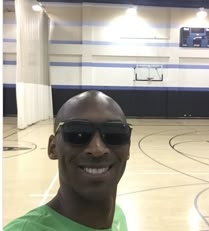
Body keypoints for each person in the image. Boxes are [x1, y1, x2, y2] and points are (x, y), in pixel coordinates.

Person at [4, 90, 132, 231]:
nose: (97, 149)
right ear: (53, 148)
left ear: (128, 147)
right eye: (77, 133)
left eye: (115, 133)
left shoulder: (117, 217)